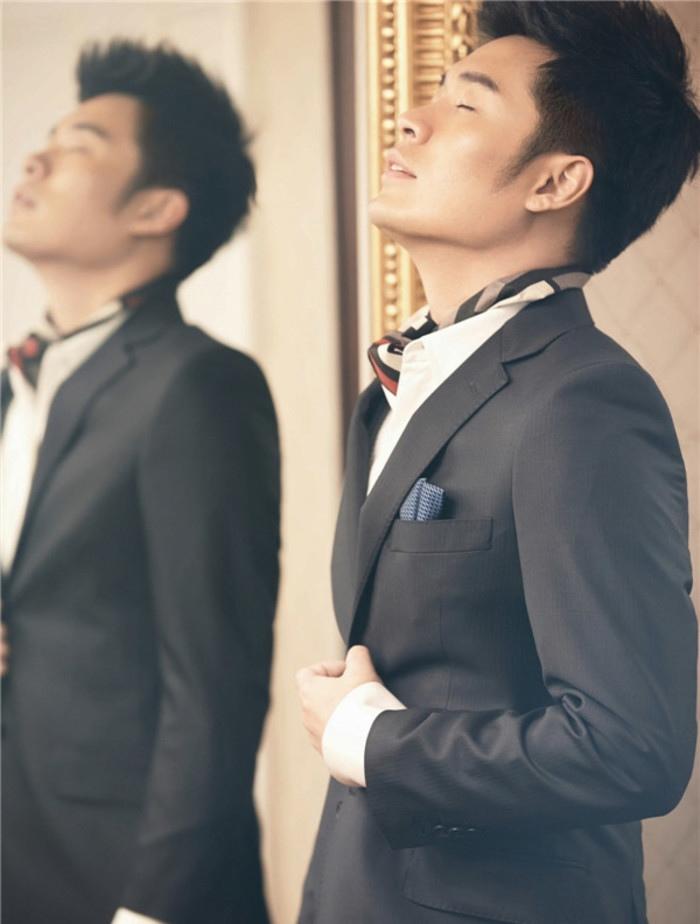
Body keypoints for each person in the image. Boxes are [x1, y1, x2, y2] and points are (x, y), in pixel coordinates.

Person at [296, 3, 699, 922]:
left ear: (555, 181)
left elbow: (631, 747)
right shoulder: (391, 389)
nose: (412, 119)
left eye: (465, 104)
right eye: (433, 93)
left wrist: (371, 741)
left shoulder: (583, 400)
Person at [1, 40, 279, 924]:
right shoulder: (14, 384)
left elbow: (216, 688)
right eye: (46, 139)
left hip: (123, 882)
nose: (35, 158)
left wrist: (153, 909)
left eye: (80, 144)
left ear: (156, 207)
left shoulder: (198, 384)